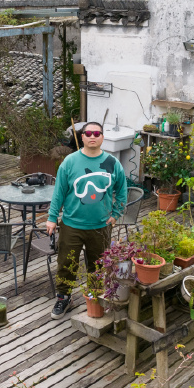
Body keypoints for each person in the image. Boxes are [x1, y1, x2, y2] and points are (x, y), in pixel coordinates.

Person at [46, 121, 127, 319]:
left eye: (96, 133)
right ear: (82, 137)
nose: (92, 136)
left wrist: (115, 214)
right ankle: (64, 297)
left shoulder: (112, 163)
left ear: (102, 137)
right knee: (66, 263)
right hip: (72, 224)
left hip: (101, 226)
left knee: (98, 265)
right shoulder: (70, 162)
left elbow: (122, 191)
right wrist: (52, 217)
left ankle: (95, 297)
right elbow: (59, 192)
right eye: (88, 133)